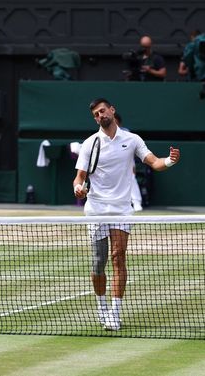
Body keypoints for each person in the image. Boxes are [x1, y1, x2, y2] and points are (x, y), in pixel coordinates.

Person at [73, 98, 180, 331]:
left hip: (122, 208)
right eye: (96, 115)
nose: (100, 116)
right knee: (99, 262)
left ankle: (115, 312)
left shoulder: (133, 140)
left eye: (103, 111)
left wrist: (170, 161)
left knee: (119, 257)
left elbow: (154, 162)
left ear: (112, 110)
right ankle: (101, 307)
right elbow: (79, 177)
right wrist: (77, 188)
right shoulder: (90, 143)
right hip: (97, 209)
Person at [113, 112, 143, 212]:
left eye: (115, 122)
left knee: (132, 178)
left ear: (119, 124)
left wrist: (132, 166)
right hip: (111, 165)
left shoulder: (127, 134)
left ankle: (136, 202)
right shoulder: (101, 135)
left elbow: (131, 151)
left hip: (126, 163)